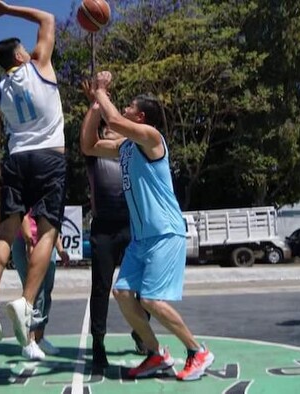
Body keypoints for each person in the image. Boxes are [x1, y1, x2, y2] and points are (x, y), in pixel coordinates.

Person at [80, 71, 213, 381]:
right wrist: (97, 105)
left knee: (151, 299)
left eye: (128, 106)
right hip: (141, 239)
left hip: (165, 233)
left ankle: (197, 351)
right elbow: (89, 145)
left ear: (140, 117)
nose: (123, 108)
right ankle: (156, 354)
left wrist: (101, 92)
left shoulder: (152, 140)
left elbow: (114, 123)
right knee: (124, 293)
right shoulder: (125, 149)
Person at [0, 0, 67, 348]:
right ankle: (26, 303)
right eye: (24, 50)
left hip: (16, 160)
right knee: (47, 232)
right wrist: (6, 9)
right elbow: (47, 17)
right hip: (48, 158)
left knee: (6, 229)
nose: (30, 51)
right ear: (19, 57)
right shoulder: (40, 66)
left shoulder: (2, 89)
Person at [80, 81, 148, 369]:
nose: (112, 131)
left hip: (132, 227)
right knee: (101, 287)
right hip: (104, 229)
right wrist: (97, 100)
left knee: (141, 288)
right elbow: (87, 136)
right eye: (107, 129)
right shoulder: (96, 154)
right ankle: (98, 343)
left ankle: (141, 332)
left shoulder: (128, 151)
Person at [11, 211, 69, 360]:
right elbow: (21, 213)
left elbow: (53, 222)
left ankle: (39, 338)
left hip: (48, 241)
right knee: (35, 292)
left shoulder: (53, 191)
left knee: (46, 292)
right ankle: (28, 341)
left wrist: (60, 249)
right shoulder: (30, 189)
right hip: (26, 239)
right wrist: (29, 242)